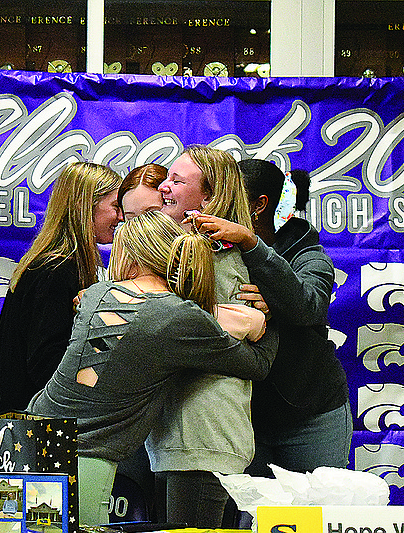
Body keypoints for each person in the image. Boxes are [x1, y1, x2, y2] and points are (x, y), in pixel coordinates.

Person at [27, 210, 277, 525]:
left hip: (33, 436)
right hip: (86, 458)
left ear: (128, 256)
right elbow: (255, 363)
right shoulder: (179, 317)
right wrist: (269, 317)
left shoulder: (95, 295)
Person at [188, 159, 351, 481]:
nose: (212, 204)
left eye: (226, 194)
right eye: (209, 195)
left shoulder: (308, 255)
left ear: (259, 204)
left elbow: (308, 306)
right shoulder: (203, 249)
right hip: (240, 414)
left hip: (311, 413)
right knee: (246, 520)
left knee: (317, 510)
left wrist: (251, 243)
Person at [147, 144, 258, 528]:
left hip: (202, 438)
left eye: (177, 180)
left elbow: (202, 330)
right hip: (185, 439)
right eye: (167, 178)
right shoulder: (187, 253)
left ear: (209, 196)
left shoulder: (219, 257)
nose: (164, 187)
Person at [0, 161, 122, 413]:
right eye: (115, 206)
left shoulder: (57, 263)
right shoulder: (56, 269)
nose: (121, 217)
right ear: (85, 206)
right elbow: (46, 362)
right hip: (40, 426)